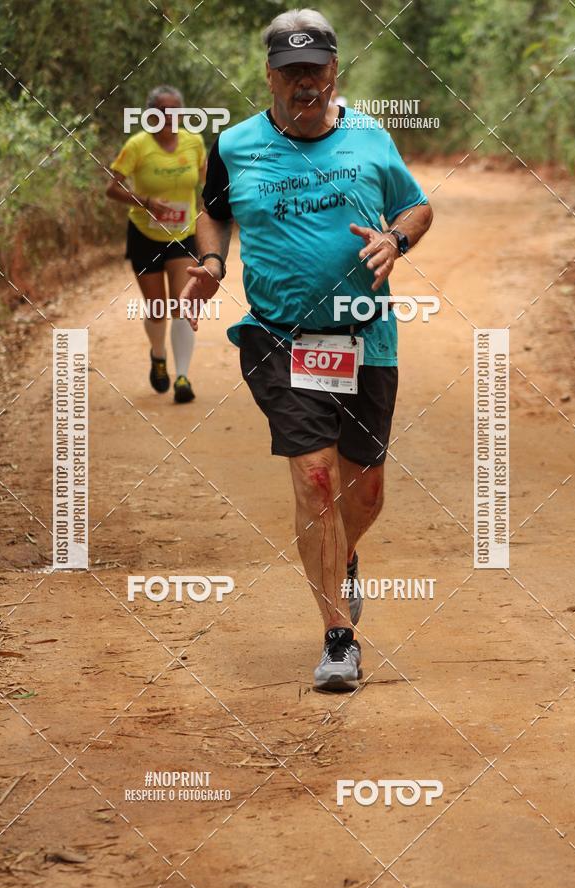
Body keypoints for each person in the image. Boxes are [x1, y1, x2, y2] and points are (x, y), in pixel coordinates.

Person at [181, 9, 433, 690]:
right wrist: (212, 261)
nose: (304, 83)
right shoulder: (235, 145)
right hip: (280, 338)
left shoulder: (370, 138)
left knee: (365, 490)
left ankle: (341, 556)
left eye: (315, 69)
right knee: (315, 479)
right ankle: (338, 640)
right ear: (269, 75)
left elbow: (417, 207)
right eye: (291, 70)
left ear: (334, 71)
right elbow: (213, 210)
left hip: (365, 336)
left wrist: (395, 240)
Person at [107, 85, 206, 403]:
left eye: (176, 110)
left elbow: (206, 179)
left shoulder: (194, 142)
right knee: (157, 308)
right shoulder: (137, 145)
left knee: (182, 304)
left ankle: (183, 377)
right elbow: (112, 188)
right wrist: (147, 202)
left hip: (183, 235)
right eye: (163, 111)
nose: (170, 116)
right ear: (151, 115)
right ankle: (158, 354)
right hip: (145, 235)